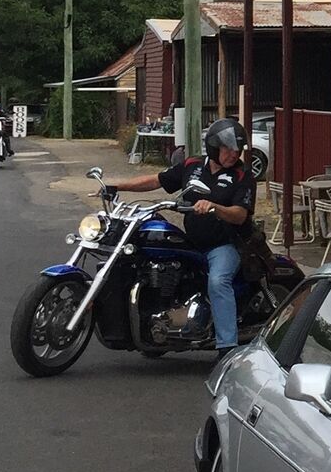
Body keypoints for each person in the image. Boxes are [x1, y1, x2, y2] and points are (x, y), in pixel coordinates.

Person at [105, 119, 256, 360]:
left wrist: (215, 207)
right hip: (192, 241)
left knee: (217, 281)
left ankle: (228, 347)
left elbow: (240, 215)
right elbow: (157, 180)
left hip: (226, 244)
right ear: (214, 147)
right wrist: (116, 186)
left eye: (237, 149)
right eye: (228, 149)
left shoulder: (242, 175)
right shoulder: (192, 164)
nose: (233, 154)